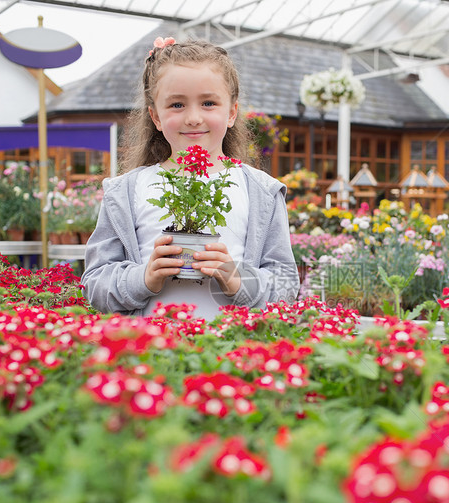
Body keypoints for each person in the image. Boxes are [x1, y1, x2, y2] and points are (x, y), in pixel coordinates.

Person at [82, 37, 299, 320]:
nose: (194, 117)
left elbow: (287, 285)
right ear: (155, 117)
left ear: (231, 112)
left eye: (209, 103)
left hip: (232, 354)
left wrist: (238, 279)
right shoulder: (124, 191)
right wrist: (143, 278)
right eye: (176, 105)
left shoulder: (262, 192)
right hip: (150, 353)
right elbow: (95, 283)